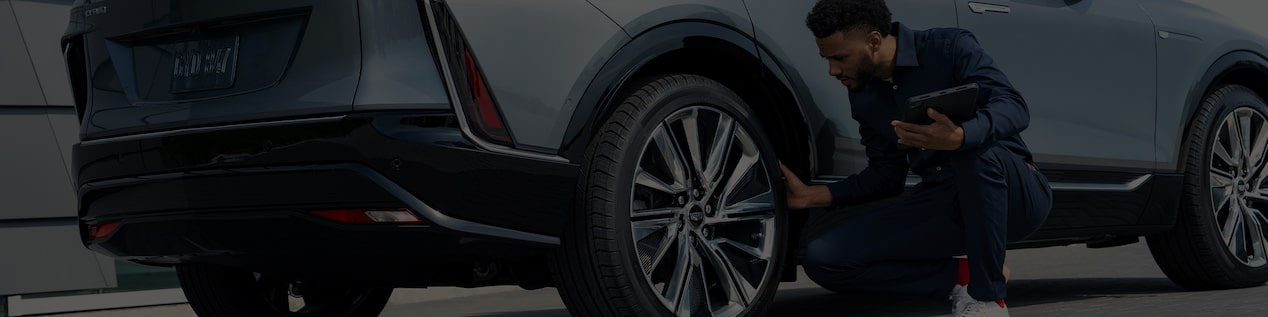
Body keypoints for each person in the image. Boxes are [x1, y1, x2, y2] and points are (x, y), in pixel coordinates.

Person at [780, 0, 1053, 316]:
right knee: (825, 258)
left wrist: (961, 136)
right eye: (827, 59)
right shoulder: (864, 96)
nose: (833, 70)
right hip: (943, 203)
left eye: (840, 58)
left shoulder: (949, 47)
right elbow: (886, 175)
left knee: (971, 151)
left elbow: (1013, 106)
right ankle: (961, 277)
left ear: (873, 41)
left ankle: (987, 297)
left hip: (1014, 196)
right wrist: (815, 195)